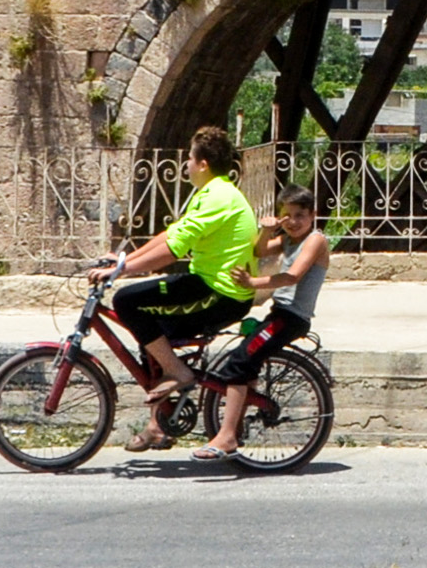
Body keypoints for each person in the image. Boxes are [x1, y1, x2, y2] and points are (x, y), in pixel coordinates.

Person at [101, 124, 260, 452]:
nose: (185, 164)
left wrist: (122, 272)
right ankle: (158, 426)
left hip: (219, 292)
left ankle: (179, 373)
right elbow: (173, 234)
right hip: (206, 283)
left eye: (189, 158)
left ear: (202, 164)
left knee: (126, 301)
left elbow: (174, 249)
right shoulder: (213, 192)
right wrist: (123, 260)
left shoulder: (219, 196)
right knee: (150, 333)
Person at [193, 183, 330, 461]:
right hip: (279, 314)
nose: (292, 222)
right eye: (287, 215)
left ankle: (228, 436)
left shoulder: (316, 240)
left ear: (313, 215)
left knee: (240, 360)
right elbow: (259, 251)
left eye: (299, 215)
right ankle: (236, 426)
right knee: (246, 359)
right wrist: (268, 229)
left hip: (292, 318)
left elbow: (293, 276)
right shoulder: (289, 238)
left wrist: (253, 282)